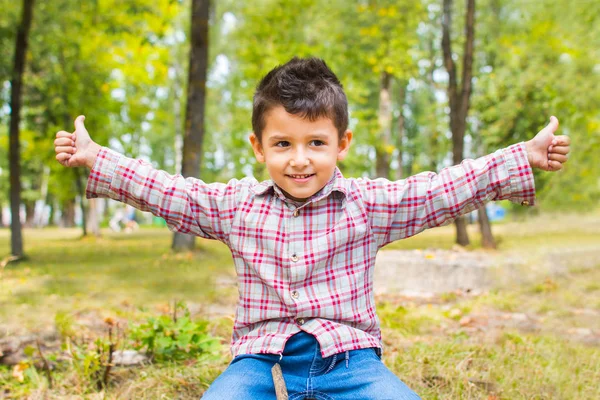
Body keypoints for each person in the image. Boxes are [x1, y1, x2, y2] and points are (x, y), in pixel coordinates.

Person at [54, 57, 570, 399]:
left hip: (351, 365)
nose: (300, 160)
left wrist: (520, 157)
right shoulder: (236, 207)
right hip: (259, 364)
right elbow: (168, 190)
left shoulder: (367, 205)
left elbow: (439, 190)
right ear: (259, 148)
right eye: (283, 144)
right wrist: (97, 157)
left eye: (315, 143)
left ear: (341, 143)